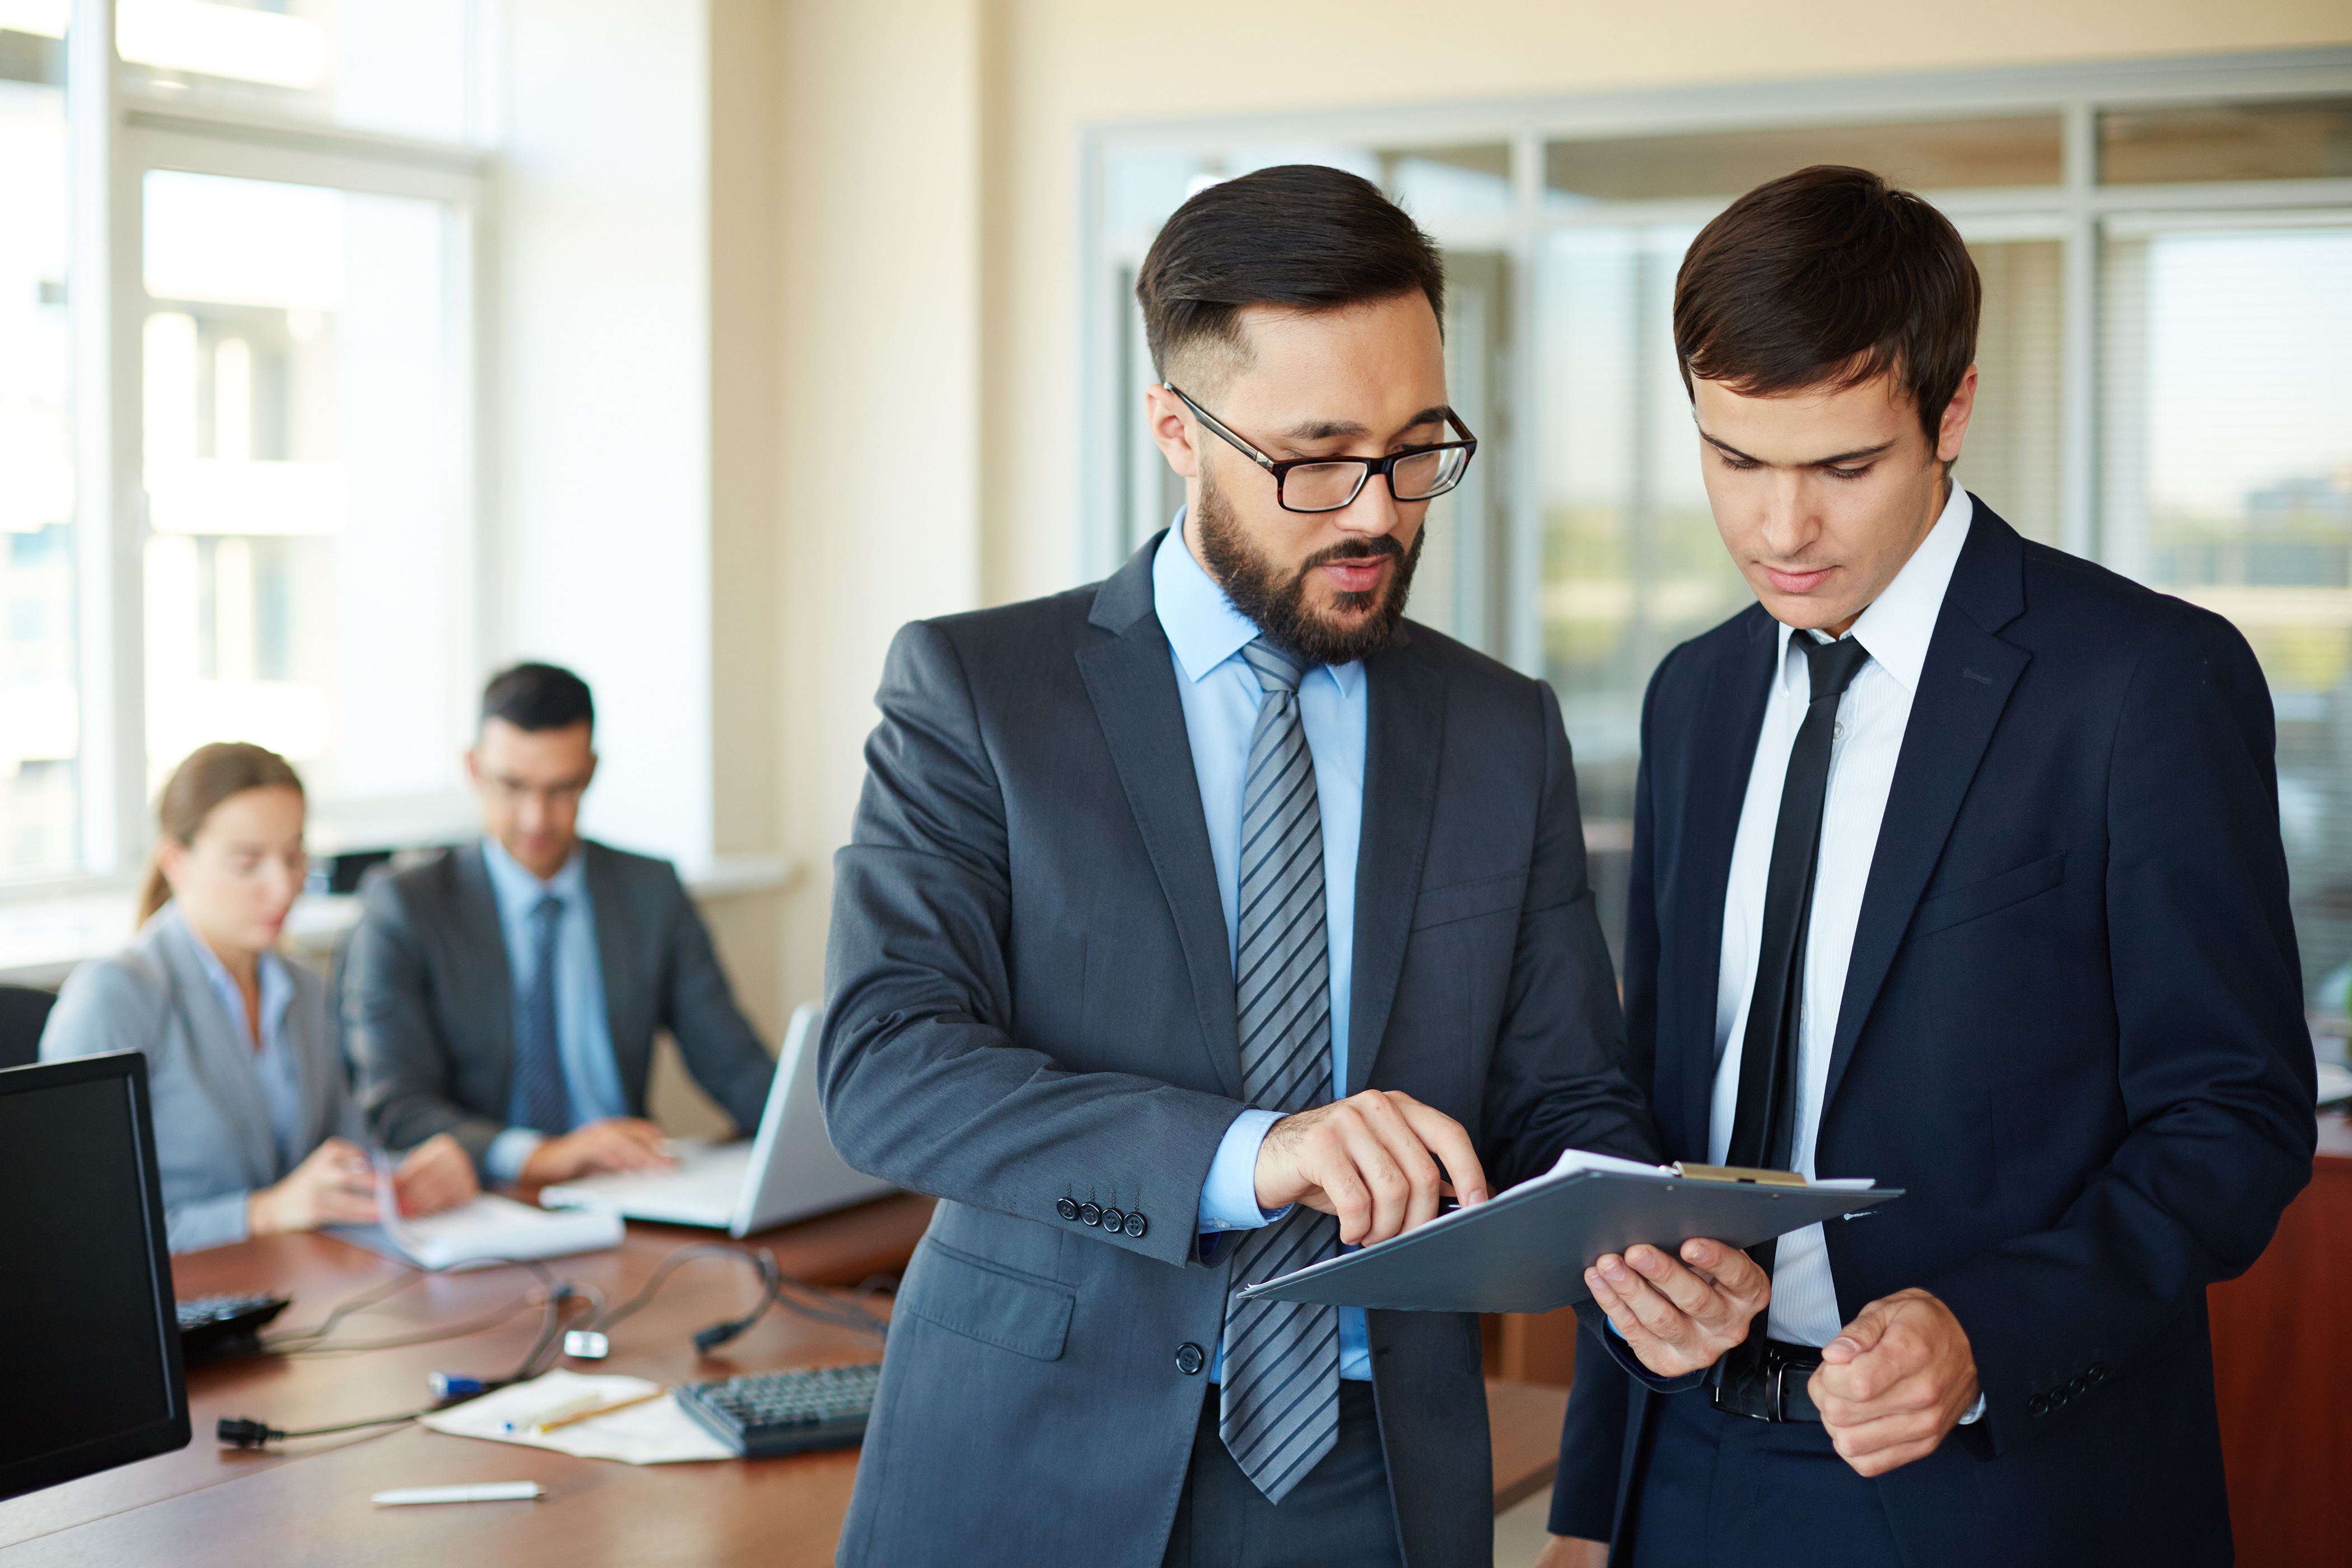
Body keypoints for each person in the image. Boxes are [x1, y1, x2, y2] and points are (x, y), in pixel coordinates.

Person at [819, 165, 1761, 1568]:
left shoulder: (1504, 731)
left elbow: (1564, 1090)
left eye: (1417, 448)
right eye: (1317, 459)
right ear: (1176, 430)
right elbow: (887, 1064)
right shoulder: (978, 690)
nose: (1378, 514)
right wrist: (1252, 1155)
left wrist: (1639, 1243)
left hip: (1375, 1479)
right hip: (1030, 1458)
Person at [1539, 167, 2317, 1568]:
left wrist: (1985, 1331)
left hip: (1999, 1485)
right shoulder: (1693, 694)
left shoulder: (2145, 681)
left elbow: (2236, 1117)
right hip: (1685, 1471)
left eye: (1844, 467)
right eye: (1736, 460)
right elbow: (1655, 1106)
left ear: (1952, 413)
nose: (1782, 532)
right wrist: (1594, 1504)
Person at [346, 662, 774, 1184]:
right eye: (512, 786)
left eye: (562, 790)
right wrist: (545, 1157)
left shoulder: (650, 891)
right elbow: (395, 1108)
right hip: (487, 1201)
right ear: (473, 768)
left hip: (626, 1190)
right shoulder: (406, 905)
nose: (536, 819)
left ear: (591, 771)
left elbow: (735, 1067)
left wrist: (819, 1145)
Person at [40, 743, 477, 1253]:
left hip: (297, 1290)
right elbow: (79, 1231)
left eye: (294, 857)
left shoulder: (303, 989)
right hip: (186, 1308)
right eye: (248, 863)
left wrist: (404, 1178)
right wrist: (264, 1212)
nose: (284, 887)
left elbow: (345, 1154)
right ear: (176, 861)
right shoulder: (115, 998)